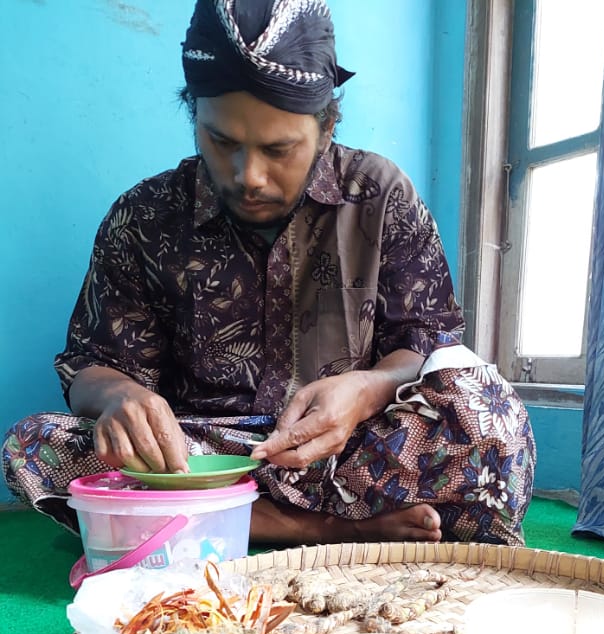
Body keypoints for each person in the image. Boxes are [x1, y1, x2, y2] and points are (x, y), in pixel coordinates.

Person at [2, 0, 535, 548]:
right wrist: (118, 398)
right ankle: (327, 532)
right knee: (35, 445)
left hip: (348, 453)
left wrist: (368, 390)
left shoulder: (378, 195)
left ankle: (217, 528)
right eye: (221, 141)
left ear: (326, 127)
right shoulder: (145, 215)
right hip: (200, 463)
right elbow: (94, 364)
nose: (247, 176)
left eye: (278, 149)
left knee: (485, 412)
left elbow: (428, 346)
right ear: (195, 116)